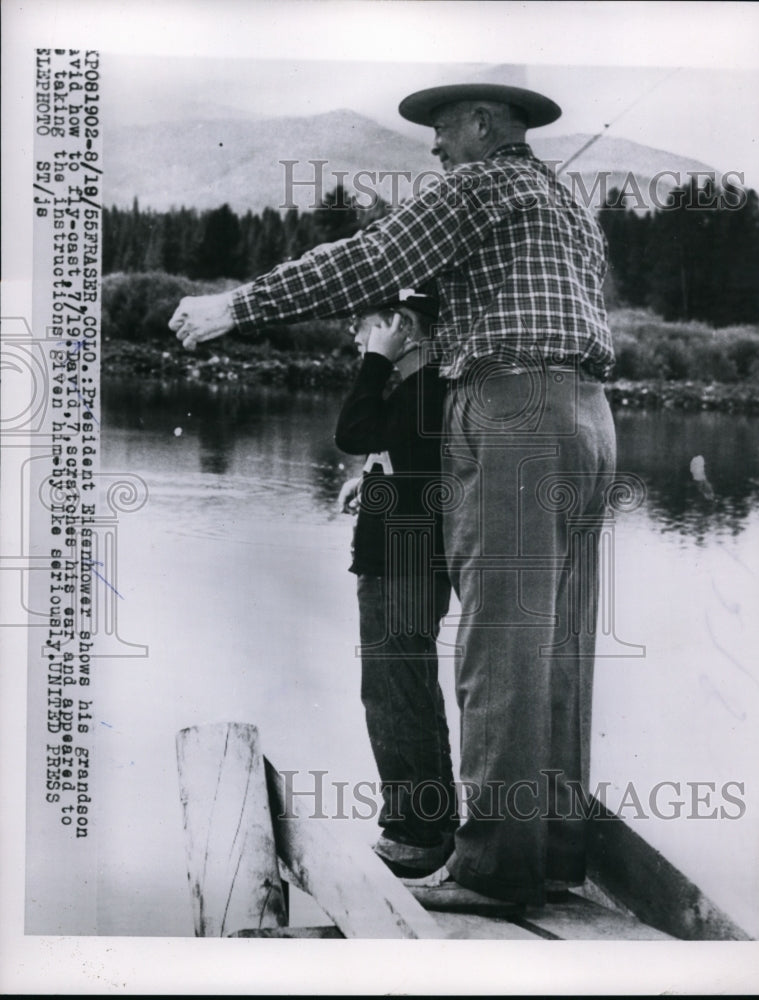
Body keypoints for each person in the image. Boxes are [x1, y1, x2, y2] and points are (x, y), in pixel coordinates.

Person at [169, 81, 617, 908]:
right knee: (556, 647)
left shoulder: (480, 184)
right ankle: (550, 848)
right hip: (588, 418)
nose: (434, 148)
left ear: (484, 123)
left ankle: (491, 870)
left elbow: (371, 261)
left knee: (498, 651)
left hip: (514, 410)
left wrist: (237, 305)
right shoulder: (561, 203)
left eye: (443, 129)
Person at [334, 290, 457, 878]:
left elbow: (352, 428)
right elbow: (396, 451)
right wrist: (372, 477)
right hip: (407, 556)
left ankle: (415, 832)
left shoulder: (419, 388)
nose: (355, 339)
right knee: (408, 688)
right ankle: (433, 824)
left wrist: (377, 360)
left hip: (400, 563)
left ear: (401, 326)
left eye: (365, 328)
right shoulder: (422, 392)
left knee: (392, 691)